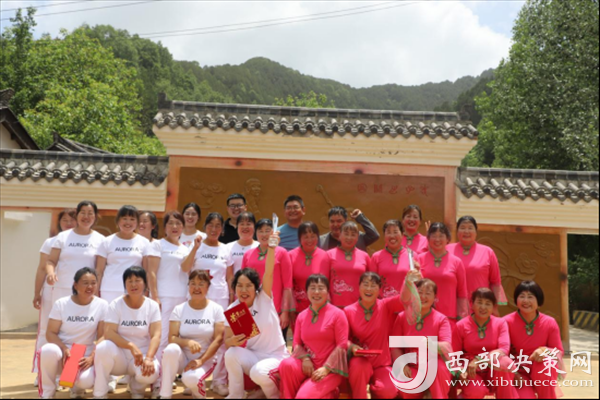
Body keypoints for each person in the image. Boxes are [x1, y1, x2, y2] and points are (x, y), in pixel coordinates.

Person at [224, 233, 290, 399]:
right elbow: (227, 340)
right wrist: (232, 341)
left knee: (258, 372)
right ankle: (236, 395)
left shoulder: (264, 298)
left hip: (275, 356)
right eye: (239, 286)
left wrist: (271, 249)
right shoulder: (234, 309)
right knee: (231, 354)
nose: (243, 290)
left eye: (248, 286)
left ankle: (274, 395)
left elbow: (269, 273)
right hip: (254, 356)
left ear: (256, 288)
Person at [38, 268, 108, 399]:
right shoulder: (61, 303)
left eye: (93, 283)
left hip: (85, 355)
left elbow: (103, 335)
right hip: (63, 353)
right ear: (75, 285)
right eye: (85, 283)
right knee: (47, 350)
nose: (90, 286)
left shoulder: (102, 305)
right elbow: (50, 333)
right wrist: (64, 349)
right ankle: (47, 393)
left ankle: (77, 388)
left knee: (86, 382)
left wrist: (92, 356)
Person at [183, 212, 232, 396]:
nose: (214, 229)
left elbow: (229, 278)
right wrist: (195, 249)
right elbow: (185, 268)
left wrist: (232, 299)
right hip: (198, 298)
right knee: (196, 336)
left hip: (221, 298)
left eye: (218, 226)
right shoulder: (196, 246)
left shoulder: (226, 249)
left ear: (222, 229)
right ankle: (192, 378)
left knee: (221, 340)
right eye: (210, 225)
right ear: (205, 227)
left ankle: (219, 381)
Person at [93, 267, 161, 399]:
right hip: (119, 356)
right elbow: (109, 333)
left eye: (137, 280)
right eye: (129, 281)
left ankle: (137, 388)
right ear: (124, 284)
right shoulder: (116, 304)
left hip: (142, 356)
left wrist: (149, 358)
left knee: (151, 374)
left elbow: (156, 335)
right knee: (102, 347)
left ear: (145, 283)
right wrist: (131, 346)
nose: (133, 284)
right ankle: (100, 393)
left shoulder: (152, 305)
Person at [279, 274, 349, 399]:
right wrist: (305, 359)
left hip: (330, 370)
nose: (316, 292)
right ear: (306, 292)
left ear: (328, 292)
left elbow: (342, 345)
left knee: (303, 397)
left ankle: (331, 392)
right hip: (308, 366)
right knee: (286, 365)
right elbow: (296, 344)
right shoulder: (301, 316)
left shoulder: (338, 314)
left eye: (321, 288)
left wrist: (326, 369)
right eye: (312, 288)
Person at [346, 272, 414, 399]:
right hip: (360, 362)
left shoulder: (385, 305)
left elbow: (404, 299)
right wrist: (352, 347)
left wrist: (408, 282)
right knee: (358, 367)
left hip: (381, 364)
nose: (369, 289)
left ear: (379, 289)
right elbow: (343, 338)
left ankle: (374, 391)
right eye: (365, 284)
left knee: (389, 391)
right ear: (359, 287)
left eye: (373, 285)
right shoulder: (348, 311)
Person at [159, 271, 225, 399]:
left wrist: (201, 360)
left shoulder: (216, 309)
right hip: (183, 359)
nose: (196, 288)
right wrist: (187, 342)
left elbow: (218, 339)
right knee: (170, 349)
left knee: (191, 379)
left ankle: (198, 392)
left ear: (208, 287)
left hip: (205, 359)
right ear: (188, 286)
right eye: (193, 283)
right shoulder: (179, 309)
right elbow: (172, 337)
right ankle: (165, 395)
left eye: (201, 284)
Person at [32, 208, 77, 381]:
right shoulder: (50, 242)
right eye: (64, 220)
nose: (68, 223)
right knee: (47, 330)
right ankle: (43, 373)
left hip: (78, 293)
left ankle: (68, 374)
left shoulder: (90, 240)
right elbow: (42, 268)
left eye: (72, 220)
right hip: (52, 291)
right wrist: (37, 292)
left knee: (75, 331)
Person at [391, 278, 453, 399]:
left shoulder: (441, 319)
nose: (423, 296)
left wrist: (428, 343)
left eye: (428, 293)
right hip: (413, 367)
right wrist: (402, 364)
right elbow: (395, 346)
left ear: (435, 297)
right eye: (419, 292)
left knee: (434, 367)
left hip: (436, 369)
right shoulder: (402, 317)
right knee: (404, 387)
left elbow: (447, 346)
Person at [504, 281, 565, 399]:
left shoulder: (549, 322)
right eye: (522, 296)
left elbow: (559, 351)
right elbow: (502, 352)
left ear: (539, 300)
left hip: (542, 372)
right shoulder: (506, 322)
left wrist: (544, 350)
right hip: (519, 373)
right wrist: (513, 372)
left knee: (547, 363)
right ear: (516, 299)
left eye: (530, 297)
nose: (525, 301)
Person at [454, 288, 517, 399]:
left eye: (488, 304)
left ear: (493, 307)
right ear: (471, 304)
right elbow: (453, 354)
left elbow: (503, 349)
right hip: (471, 371)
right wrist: (459, 371)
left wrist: (480, 359)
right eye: (479, 302)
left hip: (494, 369)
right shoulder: (461, 325)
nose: (483, 307)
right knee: (476, 391)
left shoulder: (500, 323)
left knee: (506, 363)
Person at [147, 211, 190, 365]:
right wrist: (155, 296)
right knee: (162, 335)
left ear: (183, 227)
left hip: (182, 297)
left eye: (178, 223)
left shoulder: (185, 249)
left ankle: (171, 369)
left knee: (177, 335)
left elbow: (186, 270)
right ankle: (158, 372)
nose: (174, 226)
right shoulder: (158, 245)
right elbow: (151, 272)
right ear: (164, 227)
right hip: (164, 296)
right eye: (170, 223)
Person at [242, 219, 293, 335]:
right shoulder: (248, 254)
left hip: (275, 309)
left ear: (273, 232)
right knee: (252, 341)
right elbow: (242, 283)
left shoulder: (282, 253)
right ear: (255, 233)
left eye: (267, 231)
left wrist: (285, 311)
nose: (264, 234)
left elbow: (287, 285)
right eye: (260, 231)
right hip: (252, 309)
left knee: (277, 343)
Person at [447, 216, 508, 311]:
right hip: (452, 305)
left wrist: (494, 307)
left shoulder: (487, 252)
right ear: (457, 231)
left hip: (480, 306)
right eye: (462, 228)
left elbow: (495, 282)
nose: (466, 231)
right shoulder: (447, 250)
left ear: (476, 232)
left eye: (470, 228)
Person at [96, 205, 151, 304]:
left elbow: (146, 271)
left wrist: (146, 290)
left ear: (137, 222)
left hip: (134, 290)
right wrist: (96, 291)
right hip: (109, 289)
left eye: (132, 219)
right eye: (124, 219)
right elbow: (99, 270)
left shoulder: (144, 242)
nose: (128, 222)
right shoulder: (106, 241)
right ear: (118, 221)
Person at [417, 222, 469, 326]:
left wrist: (461, 317)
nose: (437, 239)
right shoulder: (419, 259)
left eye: (441, 236)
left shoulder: (457, 262)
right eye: (433, 235)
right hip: (424, 316)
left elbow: (462, 292)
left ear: (447, 239)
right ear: (428, 238)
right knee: (425, 338)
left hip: (449, 317)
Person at [288, 222, 330, 316]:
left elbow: (327, 284)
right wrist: (290, 309)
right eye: (306, 237)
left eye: (313, 236)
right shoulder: (290, 255)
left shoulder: (325, 256)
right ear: (299, 238)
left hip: (319, 307)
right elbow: (288, 285)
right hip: (297, 308)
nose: (310, 240)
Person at [327, 221, 370, 308]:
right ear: (340, 235)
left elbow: (371, 281)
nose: (349, 237)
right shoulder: (328, 255)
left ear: (357, 237)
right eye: (346, 234)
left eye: (353, 234)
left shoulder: (365, 256)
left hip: (359, 306)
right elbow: (323, 281)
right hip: (334, 306)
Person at [369, 219, 412, 300]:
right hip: (383, 303)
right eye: (388, 232)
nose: (392, 236)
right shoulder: (376, 257)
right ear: (384, 236)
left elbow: (418, 283)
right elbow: (372, 283)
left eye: (395, 232)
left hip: (405, 303)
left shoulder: (411, 255)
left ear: (402, 234)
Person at [225, 212, 259, 278]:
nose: (245, 227)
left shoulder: (260, 247)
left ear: (254, 227)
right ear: (237, 226)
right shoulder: (228, 247)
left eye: (248, 224)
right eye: (242, 224)